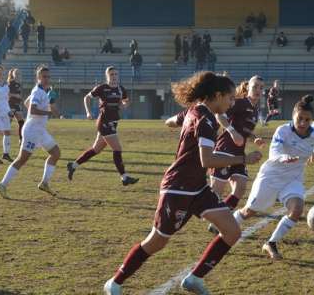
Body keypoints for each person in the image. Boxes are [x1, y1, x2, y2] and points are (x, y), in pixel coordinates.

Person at [103, 71, 263, 295]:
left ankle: (194, 279)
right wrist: (243, 159)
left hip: (198, 187)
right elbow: (207, 159)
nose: (231, 102)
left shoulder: (195, 111)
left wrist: (177, 124)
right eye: (229, 98)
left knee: (232, 231)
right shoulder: (205, 119)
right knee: (156, 242)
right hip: (177, 188)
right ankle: (115, 282)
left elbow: (172, 121)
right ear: (217, 95)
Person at [233, 95, 314, 259]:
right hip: (271, 176)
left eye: (307, 120)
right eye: (299, 119)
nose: (303, 123)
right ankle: (226, 224)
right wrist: (284, 158)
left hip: (293, 178)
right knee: (248, 212)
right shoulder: (283, 130)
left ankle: (271, 243)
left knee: (296, 209)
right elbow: (274, 153)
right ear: (293, 116)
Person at [207, 76, 266, 234]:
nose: (258, 90)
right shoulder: (240, 103)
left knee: (240, 187)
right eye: (255, 86)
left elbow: (244, 129)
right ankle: (212, 216)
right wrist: (232, 133)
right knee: (214, 195)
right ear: (248, 88)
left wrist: (254, 138)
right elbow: (219, 115)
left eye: (261, 87)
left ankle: (219, 221)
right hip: (224, 149)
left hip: (239, 153)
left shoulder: (255, 109)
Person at [0, 66, 60, 199]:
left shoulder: (44, 91)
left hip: (40, 130)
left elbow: (26, 103)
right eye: (44, 77)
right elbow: (34, 110)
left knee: (56, 153)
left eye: (48, 76)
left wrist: (51, 102)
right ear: (38, 78)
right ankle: (3, 184)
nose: (47, 79)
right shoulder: (37, 92)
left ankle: (44, 183)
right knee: (22, 159)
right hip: (32, 131)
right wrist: (48, 112)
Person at [67, 66, 139, 186]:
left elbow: (126, 100)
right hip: (104, 122)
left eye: (116, 74)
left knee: (96, 149)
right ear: (107, 76)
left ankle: (73, 165)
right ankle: (124, 177)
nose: (114, 76)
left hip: (114, 122)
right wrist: (88, 112)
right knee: (117, 148)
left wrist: (124, 104)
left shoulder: (121, 89)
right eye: (111, 74)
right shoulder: (102, 88)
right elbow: (86, 97)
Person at [7, 68, 26, 143]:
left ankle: (21, 140)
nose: (18, 75)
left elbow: (20, 95)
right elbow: (7, 94)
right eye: (16, 73)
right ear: (13, 74)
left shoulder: (19, 84)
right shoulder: (11, 83)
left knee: (21, 122)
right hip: (11, 105)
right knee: (7, 123)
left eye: (19, 73)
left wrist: (19, 97)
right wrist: (16, 95)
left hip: (17, 105)